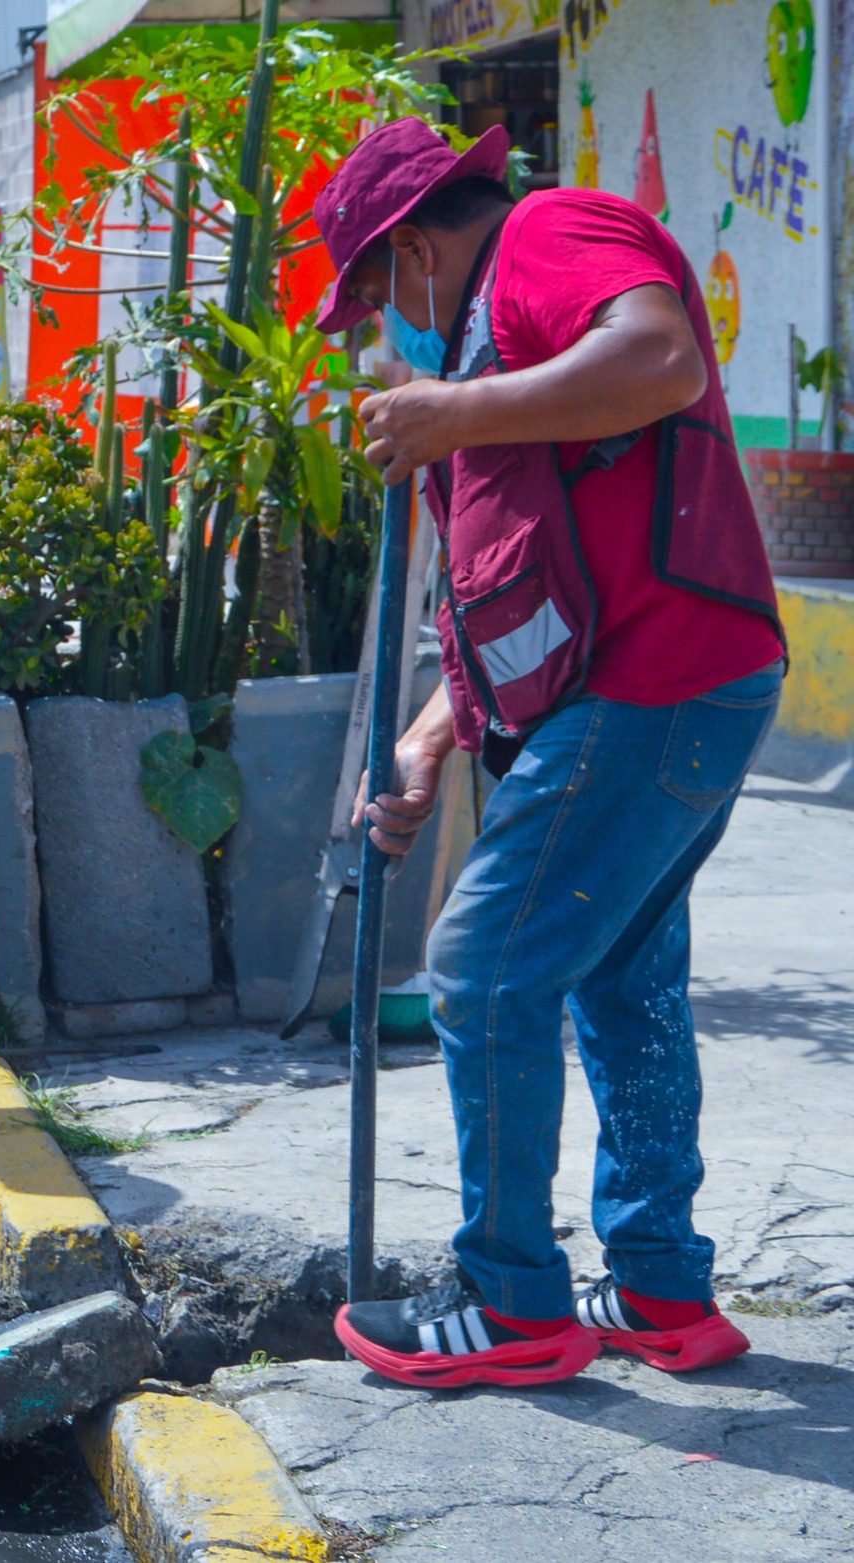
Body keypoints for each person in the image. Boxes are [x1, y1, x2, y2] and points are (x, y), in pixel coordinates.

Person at [310, 120, 785, 1389]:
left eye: (367, 292)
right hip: (661, 689)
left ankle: (510, 1304)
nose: (372, 328)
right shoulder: (472, 360)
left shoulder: (547, 237)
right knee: (617, 986)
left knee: (480, 968)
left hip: (663, 681)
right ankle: (657, 1291)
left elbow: (658, 357)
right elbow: (504, 607)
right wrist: (422, 742)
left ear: (412, 247)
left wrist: (454, 410)